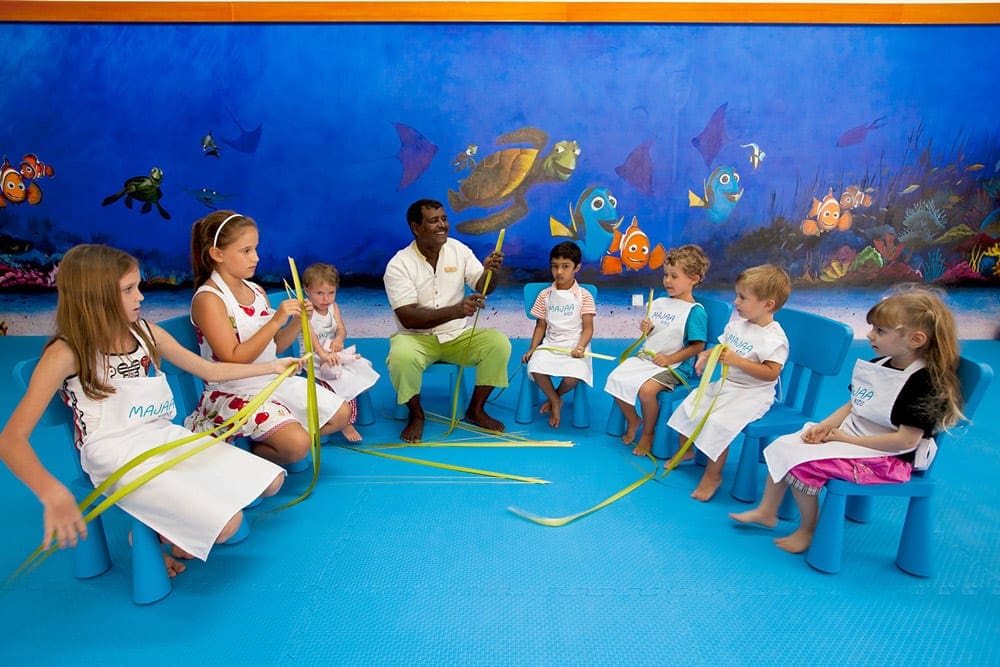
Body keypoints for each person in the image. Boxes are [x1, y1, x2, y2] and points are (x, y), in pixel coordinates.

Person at [0, 244, 299, 576]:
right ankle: (148, 533)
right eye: (128, 290)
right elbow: (11, 440)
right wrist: (51, 492)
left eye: (137, 286)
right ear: (94, 296)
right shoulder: (66, 352)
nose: (140, 297)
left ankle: (161, 522)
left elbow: (210, 371)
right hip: (114, 454)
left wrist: (271, 368)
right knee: (229, 525)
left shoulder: (145, 333)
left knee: (269, 482)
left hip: (161, 437)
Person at [731, 286, 964, 554]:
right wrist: (826, 425)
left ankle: (810, 528)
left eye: (880, 331)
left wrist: (846, 438)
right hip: (854, 438)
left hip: (889, 459)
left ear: (915, 339)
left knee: (804, 466)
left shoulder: (923, 383)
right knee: (784, 444)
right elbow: (855, 404)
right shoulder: (883, 362)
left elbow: (906, 440)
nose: (870, 334)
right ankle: (767, 511)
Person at [185, 210, 352, 465]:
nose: (256, 258)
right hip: (233, 391)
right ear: (217, 254)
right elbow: (233, 357)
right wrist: (276, 320)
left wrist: (298, 321)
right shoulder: (209, 299)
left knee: (342, 415)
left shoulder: (256, 290)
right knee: (298, 446)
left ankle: (265, 436)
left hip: (271, 378)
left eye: (255, 249)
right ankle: (253, 449)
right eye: (246, 251)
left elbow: (275, 346)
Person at [383, 198, 511, 443]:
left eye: (444, 219)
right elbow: (408, 318)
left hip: (457, 337)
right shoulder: (399, 264)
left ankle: (476, 410)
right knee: (401, 356)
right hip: (416, 339)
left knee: (499, 343)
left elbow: (483, 287)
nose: (442, 225)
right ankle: (416, 414)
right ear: (415, 227)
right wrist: (457, 310)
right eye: (433, 221)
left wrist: (490, 272)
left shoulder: (458, 250)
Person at [667, 264, 791, 501]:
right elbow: (720, 347)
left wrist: (738, 361)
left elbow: (771, 373)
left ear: (767, 305)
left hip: (753, 394)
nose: (736, 302)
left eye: (743, 297)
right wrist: (706, 354)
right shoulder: (737, 326)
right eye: (737, 295)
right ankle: (688, 451)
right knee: (691, 404)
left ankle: (714, 475)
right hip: (728, 386)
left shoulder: (774, 339)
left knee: (718, 422)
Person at [605, 245, 709, 456]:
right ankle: (634, 420)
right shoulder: (660, 302)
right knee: (615, 378)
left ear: (693, 279)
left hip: (676, 366)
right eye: (665, 275)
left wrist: (671, 358)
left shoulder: (695, 312)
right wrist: (648, 328)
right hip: (649, 359)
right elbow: (658, 332)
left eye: (674, 276)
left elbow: (698, 346)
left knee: (647, 391)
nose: (667, 281)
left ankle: (649, 433)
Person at [301, 262, 380, 443]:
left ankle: (352, 412)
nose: (326, 298)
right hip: (315, 359)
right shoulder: (307, 312)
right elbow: (310, 338)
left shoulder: (333, 307)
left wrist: (338, 340)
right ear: (307, 291)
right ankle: (345, 421)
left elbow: (341, 329)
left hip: (334, 354)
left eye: (331, 292)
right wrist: (323, 354)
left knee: (361, 366)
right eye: (319, 293)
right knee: (342, 379)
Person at [521, 241, 596, 429]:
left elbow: (588, 328)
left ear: (576, 268)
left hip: (575, 344)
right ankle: (555, 400)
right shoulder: (545, 295)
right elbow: (540, 326)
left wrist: (580, 347)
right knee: (535, 367)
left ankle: (556, 395)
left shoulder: (584, 295)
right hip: (550, 343)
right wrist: (533, 349)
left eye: (565, 267)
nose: (559, 272)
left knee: (574, 375)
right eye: (555, 266)